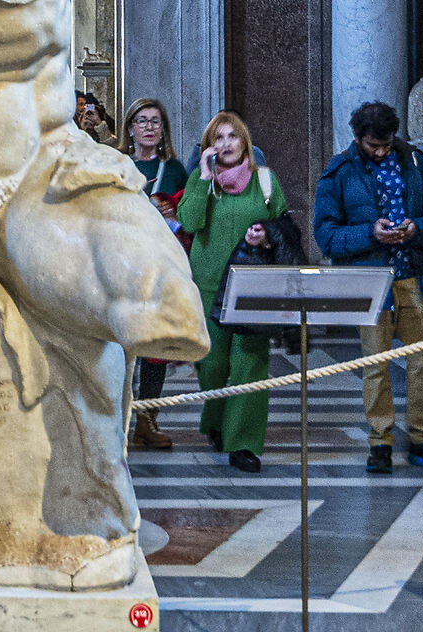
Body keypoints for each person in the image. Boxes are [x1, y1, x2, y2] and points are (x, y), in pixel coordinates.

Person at [314, 99, 423, 475]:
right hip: (371, 282)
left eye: (386, 144)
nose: (381, 152)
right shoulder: (339, 172)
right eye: (373, 145)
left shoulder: (414, 162)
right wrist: (370, 233)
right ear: (357, 137)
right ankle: (380, 442)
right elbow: (326, 235)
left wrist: (417, 228)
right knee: (375, 365)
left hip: (415, 276)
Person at [177, 111, 302, 473]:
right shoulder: (201, 181)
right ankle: (215, 420)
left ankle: (243, 442)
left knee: (250, 365)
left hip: (252, 288)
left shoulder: (264, 179)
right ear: (208, 146)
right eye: (218, 138)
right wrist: (203, 178)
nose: (226, 143)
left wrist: (265, 236)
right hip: (208, 286)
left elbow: (283, 226)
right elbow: (189, 221)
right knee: (213, 365)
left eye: (232, 136)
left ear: (245, 142)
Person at [121, 99, 187, 452]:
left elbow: (187, 214)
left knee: (154, 346)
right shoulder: (118, 164)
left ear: (163, 130)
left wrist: (173, 211)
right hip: (123, 262)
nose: (148, 127)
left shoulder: (174, 169)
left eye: (155, 122)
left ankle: (147, 421)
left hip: (159, 263)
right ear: (130, 128)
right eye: (142, 121)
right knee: (120, 343)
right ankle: (117, 419)